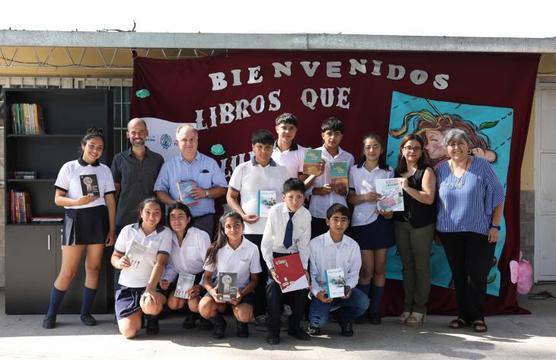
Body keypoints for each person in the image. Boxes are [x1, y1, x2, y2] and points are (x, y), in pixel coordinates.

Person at [42, 128, 116, 329]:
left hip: (98, 220)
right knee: (68, 271)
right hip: (75, 218)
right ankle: (51, 314)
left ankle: (86, 313)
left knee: (94, 268)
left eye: (100, 148)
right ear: (84, 145)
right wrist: (77, 201)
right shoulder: (69, 167)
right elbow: (58, 198)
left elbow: (110, 200)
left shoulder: (105, 170)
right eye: (92, 146)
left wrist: (111, 229)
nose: (95, 150)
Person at [435, 128, 504, 333]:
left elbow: (499, 195)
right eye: (452, 144)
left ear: (468, 145)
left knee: (477, 274)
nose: (456, 147)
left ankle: (478, 316)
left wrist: (495, 226)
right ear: (447, 148)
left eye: (460, 143)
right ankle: (462, 316)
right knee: (458, 274)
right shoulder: (440, 169)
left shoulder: (481, 166)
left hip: (479, 230)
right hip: (449, 231)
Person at [227, 129, 289, 319]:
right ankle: (255, 313)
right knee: (255, 274)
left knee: (275, 274)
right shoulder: (242, 169)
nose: (263, 151)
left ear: (273, 148)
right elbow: (231, 196)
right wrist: (242, 215)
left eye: (268, 147)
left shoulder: (282, 170)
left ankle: (275, 313)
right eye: (259, 147)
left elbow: (289, 198)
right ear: (253, 147)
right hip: (251, 230)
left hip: (274, 231)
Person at [347, 134, 394, 325]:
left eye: (376, 146)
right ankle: (362, 310)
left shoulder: (388, 171)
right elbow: (350, 198)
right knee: (366, 270)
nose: (372, 150)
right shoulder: (354, 170)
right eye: (368, 147)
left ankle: (375, 311)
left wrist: (388, 211)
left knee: (380, 269)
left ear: (381, 149)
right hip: (360, 223)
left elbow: (392, 200)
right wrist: (365, 198)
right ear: (363, 150)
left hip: (381, 222)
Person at [111, 197, 172, 338]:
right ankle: (139, 315)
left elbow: (160, 263)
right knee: (129, 332)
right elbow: (114, 256)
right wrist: (119, 262)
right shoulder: (128, 230)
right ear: (140, 213)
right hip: (127, 286)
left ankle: (151, 317)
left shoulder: (165, 233)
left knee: (151, 305)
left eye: (157, 212)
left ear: (161, 215)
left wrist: (149, 289)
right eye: (148, 212)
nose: (152, 216)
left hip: (151, 285)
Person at [261, 178, 312, 344]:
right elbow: (267, 242)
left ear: (304, 198)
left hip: (293, 256)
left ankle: (294, 327)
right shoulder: (275, 211)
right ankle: (273, 329)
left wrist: (304, 268)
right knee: (273, 289)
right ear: (283, 197)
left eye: (299, 197)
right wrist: (271, 268)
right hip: (276, 256)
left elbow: (304, 245)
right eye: (290, 197)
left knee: (301, 290)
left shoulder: (306, 215)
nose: (295, 201)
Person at [154, 124, 227, 238]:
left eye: (192, 139)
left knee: (203, 255)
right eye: (184, 140)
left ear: (197, 140)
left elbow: (223, 189)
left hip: (203, 220)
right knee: (175, 255)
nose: (188, 143)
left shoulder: (210, 163)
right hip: (176, 221)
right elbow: (159, 191)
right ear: (177, 142)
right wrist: (173, 203)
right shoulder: (168, 166)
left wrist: (205, 193)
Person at [393, 134, 436, 325]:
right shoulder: (397, 172)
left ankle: (420, 308)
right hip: (400, 224)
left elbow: (428, 198)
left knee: (421, 267)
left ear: (421, 152)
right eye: (408, 147)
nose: (412, 151)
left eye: (416, 148)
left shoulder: (426, 171)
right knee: (407, 267)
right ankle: (408, 306)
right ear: (402, 150)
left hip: (421, 226)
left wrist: (408, 188)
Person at [307, 203, 369, 337]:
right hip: (322, 291)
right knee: (318, 325)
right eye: (335, 219)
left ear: (348, 223)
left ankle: (343, 317)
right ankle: (317, 316)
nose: (339, 224)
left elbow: (354, 274)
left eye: (343, 220)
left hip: (342, 291)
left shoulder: (353, 245)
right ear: (327, 221)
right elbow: (311, 274)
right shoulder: (315, 244)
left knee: (363, 302)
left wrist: (348, 287)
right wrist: (317, 293)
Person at [198, 211, 262, 339]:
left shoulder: (252, 248)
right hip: (220, 290)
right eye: (228, 226)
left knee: (245, 315)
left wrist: (241, 293)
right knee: (204, 307)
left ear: (243, 226)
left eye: (237, 225)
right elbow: (207, 277)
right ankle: (219, 323)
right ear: (223, 229)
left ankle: (241, 322)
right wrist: (212, 292)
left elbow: (255, 280)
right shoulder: (215, 248)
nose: (233, 229)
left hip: (242, 291)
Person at [159, 202, 212, 330]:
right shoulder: (169, 237)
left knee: (194, 302)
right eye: (172, 217)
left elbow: (211, 264)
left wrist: (200, 286)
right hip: (184, 278)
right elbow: (173, 265)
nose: (176, 220)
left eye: (181, 216)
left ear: (188, 219)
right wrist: (167, 279)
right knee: (173, 303)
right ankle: (192, 314)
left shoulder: (200, 235)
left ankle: (204, 316)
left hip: (203, 276)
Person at [111, 118, 164, 234]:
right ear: (127, 134)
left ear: (147, 133)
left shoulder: (157, 160)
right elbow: (114, 192)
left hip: (150, 219)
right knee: (123, 252)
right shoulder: (118, 159)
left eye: (141, 131)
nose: (137, 135)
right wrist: (112, 221)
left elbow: (161, 191)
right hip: (124, 218)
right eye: (133, 132)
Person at [308, 117, 355, 237]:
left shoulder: (348, 158)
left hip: (341, 213)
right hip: (318, 211)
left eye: (337, 134)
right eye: (329, 133)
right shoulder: (313, 154)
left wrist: (343, 191)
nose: (333, 138)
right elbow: (304, 186)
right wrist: (318, 190)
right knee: (316, 248)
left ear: (342, 136)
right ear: (322, 135)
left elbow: (351, 187)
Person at [271, 112, 323, 187]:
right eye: (284, 127)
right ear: (277, 129)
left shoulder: (305, 152)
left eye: (291, 128)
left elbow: (302, 186)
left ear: (296, 130)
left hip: (291, 198)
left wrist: (315, 173)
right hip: (269, 198)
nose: (287, 131)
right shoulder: (266, 151)